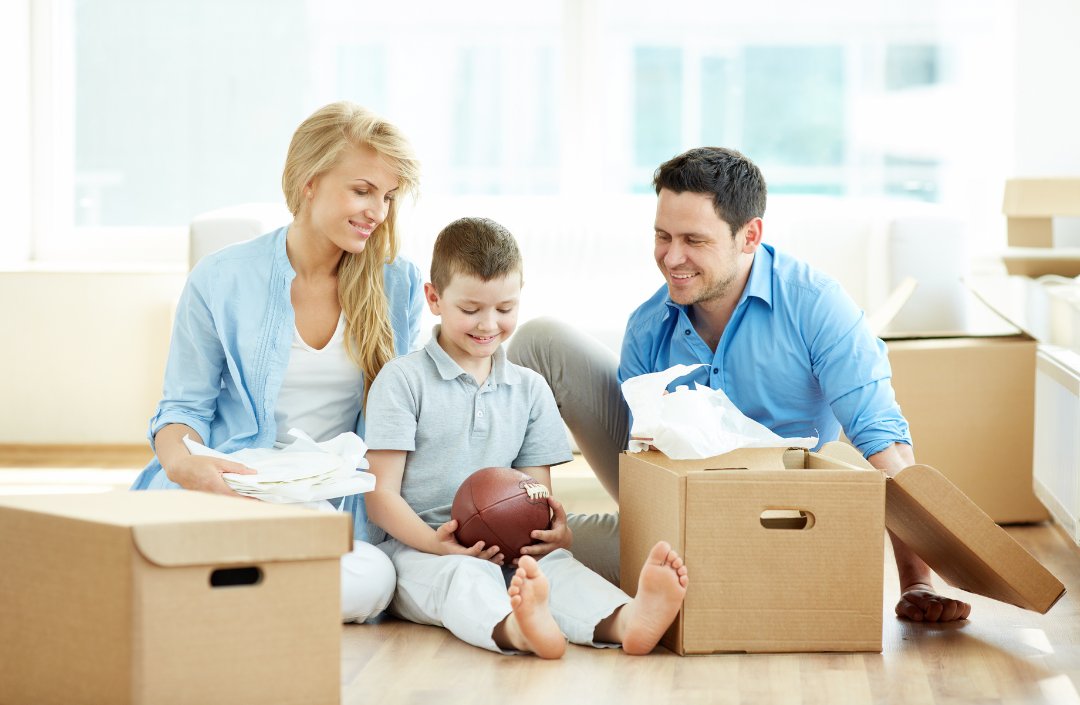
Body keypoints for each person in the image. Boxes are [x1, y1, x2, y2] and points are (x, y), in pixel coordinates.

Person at [509, 147, 971, 623]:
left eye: (693, 239)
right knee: (540, 347)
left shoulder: (816, 306)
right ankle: (503, 540)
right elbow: (643, 474)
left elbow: (884, 447)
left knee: (528, 559)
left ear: (749, 235)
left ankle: (666, 585)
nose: (672, 257)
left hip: (776, 522)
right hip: (678, 518)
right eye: (662, 236)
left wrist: (917, 581)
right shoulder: (649, 326)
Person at [130, 101, 423, 624]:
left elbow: (406, 415)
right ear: (308, 182)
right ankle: (240, 594)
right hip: (233, 483)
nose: (377, 212)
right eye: (362, 190)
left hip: (326, 499)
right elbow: (183, 407)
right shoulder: (221, 278)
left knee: (375, 576)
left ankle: (207, 598)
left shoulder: (397, 283)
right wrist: (182, 465)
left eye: (388, 196)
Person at [362, 217, 689, 657]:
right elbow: (379, 496)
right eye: (470, 309)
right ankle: (518, 629)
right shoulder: (402, 380)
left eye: (504, 308)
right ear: (434, 299)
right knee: (466, 577)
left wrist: (554, 533)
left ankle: (626, 620)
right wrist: (436, 543)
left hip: (510, 547)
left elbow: (534, 493)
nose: (488, 324)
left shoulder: (531, 389)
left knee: (555, 568)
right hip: (420, 550)